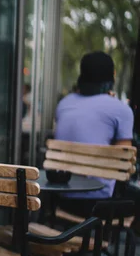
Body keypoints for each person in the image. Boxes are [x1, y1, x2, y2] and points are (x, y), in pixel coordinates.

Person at [54, 51, 134, 215]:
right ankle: (117, 238)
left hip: (62, 199)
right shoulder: (120, 110)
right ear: (112, 76)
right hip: (100, 205)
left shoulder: (64, 104)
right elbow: (123, 165)